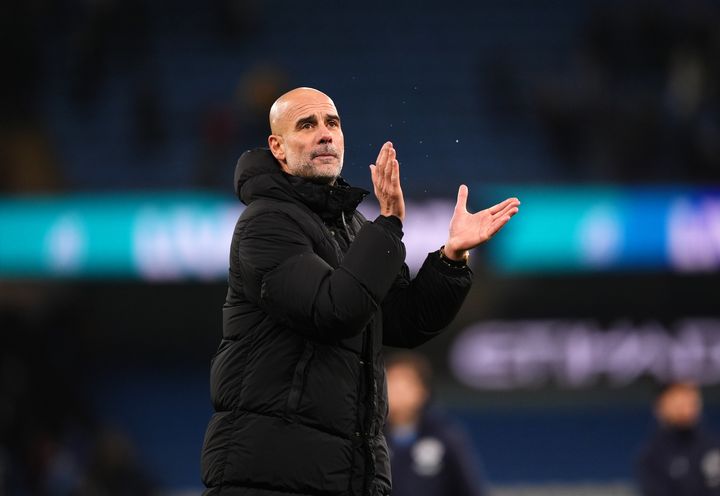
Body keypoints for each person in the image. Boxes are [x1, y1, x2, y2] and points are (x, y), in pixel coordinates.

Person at [200, 87, 520, 496]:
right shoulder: (266, 224)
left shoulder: (352, 226)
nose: (325, 134)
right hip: (272, 473)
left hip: (345, 472)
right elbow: (336, 309)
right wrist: (389, 224)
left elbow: (405, 321)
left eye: (332, 123)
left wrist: (451, 257)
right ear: (277, 147)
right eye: (307, 125)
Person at [385, 351, 488, 496]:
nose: (397, 392)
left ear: (423, 391)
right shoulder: (369, 438)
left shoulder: (445, 435)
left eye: (404, 385)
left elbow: (470, 488)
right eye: (390, 384)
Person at [636, 381, 720, 496]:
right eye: (678, 400)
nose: (685, 406)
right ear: (661, 406)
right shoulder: (652, 455)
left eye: (690, 399)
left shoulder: (713, 445)